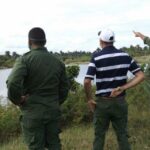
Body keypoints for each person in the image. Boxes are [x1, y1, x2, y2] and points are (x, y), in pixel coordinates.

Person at [6, 27, 69, 150]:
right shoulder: (58, 62)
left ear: (29, 41)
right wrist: (54, 102)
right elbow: (64, 89)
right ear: (44, 42)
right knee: (54, 145)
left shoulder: (24, 60)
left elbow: (13, 82)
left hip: (32, 113)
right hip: (53, 111)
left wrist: (18, 100)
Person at [84, 29, 144, 150]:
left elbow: (86, 81)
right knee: (122, 135)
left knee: (99, 136)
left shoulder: (96, 57)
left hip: (102, 103)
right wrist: (123, 87)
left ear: (101, 41)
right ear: (113, 41)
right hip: (120, 102)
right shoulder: (125, 56)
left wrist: (90, 99)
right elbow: (141, 76)